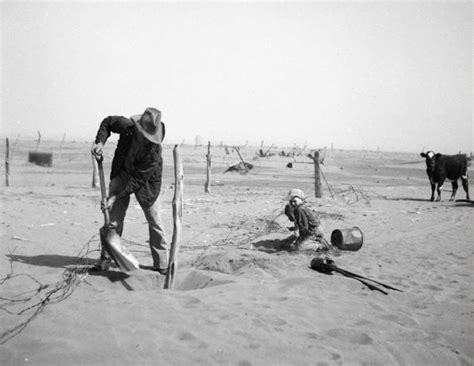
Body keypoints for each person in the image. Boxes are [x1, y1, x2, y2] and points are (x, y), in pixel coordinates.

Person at [91, 107, 168, 274]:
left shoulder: (154, 152)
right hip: (122, 173)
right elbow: (108, 122)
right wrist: (100, 142)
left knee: (155, 221)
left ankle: (162, 264)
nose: (144, 138)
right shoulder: (126, 127)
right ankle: (106, 259)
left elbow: (138, 180)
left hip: (146, 182)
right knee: (113, 220)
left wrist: (114, 197)